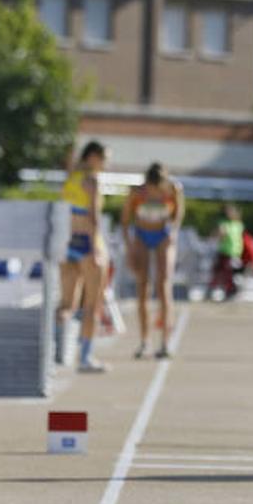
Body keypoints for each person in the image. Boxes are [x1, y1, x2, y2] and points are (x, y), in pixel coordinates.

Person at [121, 162, 183, 358]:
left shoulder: (174, 189)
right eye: (151, 188)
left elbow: (178, 214)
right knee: (143, 288)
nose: (154, 191)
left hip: (163, 236)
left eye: (158, 189)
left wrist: (173, 231)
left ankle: (165, 343)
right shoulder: (136, 192)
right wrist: (130, 247)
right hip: (142, 235)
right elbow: (124, 221)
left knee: (164, 287)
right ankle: (144, 341)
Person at [58, 141, 110, 373]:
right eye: (104, 159)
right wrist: (97, 248)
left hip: (67, 241)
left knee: (66, 303)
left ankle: (53, 353)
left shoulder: (71, 175)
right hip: (88, 242)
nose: (106, 164)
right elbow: (94, 215)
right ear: (93, 157)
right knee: (92, 304)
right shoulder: (92, 180)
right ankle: (85, 357)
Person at [207, 203, 245, 300]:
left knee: (229, 274)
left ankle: (230, 291)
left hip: (234, 254)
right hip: (225, 253)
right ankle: (213, 290)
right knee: (219, 272)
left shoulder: (238, 224)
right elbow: (218, 234)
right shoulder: (224, 223)